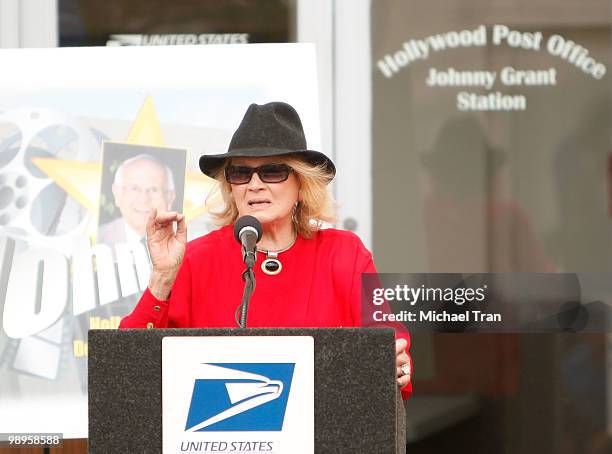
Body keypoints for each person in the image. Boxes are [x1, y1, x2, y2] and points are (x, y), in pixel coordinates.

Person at [119, 102, 412, 397]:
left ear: (301, 185)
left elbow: (389, 345)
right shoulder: (195, 259)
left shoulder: (345, 254)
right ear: (230, 187)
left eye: (272, 172)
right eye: (240, 173)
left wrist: (396, 366)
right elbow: (125, 368)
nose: (254, 184)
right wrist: (162, 278)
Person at [98, 154, 176, 248]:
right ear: (117, 194)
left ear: (170, 197)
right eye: (134, 189)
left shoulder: (187, 242)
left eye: (154, 189)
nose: (144, 200)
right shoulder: (95, 238)